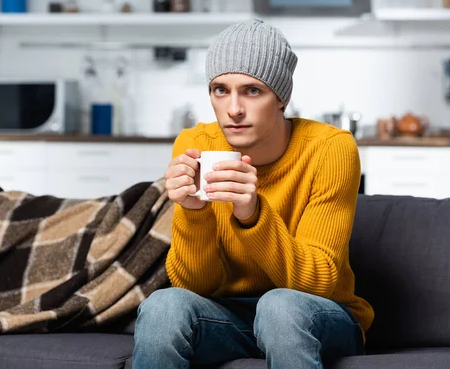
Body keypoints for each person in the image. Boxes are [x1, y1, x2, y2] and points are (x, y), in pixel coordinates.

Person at [132, 19, 374, 369]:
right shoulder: (194, 145)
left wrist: (253, 214)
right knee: (163, 306)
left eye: (252, 91)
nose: (233, 109)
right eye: (220, 90)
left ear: (281, 98)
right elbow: (193, 286)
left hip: (318, 315)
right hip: (227, 317)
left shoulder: (330, 149)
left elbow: (319, 283)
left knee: (280, 307)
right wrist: (193, 211)